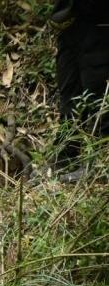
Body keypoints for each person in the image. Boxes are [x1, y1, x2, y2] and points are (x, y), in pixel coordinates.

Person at [53, 0, 109, 182]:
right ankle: (65, 158)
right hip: (71, 21)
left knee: (99, 96)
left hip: (100, 24)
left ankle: (101, 164)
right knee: (70, 94)